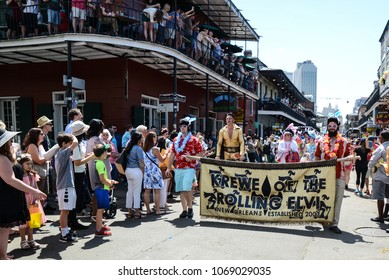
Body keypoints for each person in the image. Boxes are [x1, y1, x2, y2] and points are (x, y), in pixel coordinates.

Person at [0, 128, 47, 260]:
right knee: (3, 229)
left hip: (6, 196)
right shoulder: (2, 157)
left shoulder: (5, 156)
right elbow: (10, 179)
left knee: (3, 229)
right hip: (5, 197)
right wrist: (34, 190)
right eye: (9, 140)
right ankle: (2, 257)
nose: (11, 142)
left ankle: (3, 255)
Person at [314, 117, 351, 234]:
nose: (331, 128)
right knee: (323, 199)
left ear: (337, 127)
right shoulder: (321, 141)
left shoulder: (344, 142)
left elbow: (348, 159)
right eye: (329, 126)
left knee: (338, 200)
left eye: (334, 126)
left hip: (339, 175)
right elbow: (317, 157)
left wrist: (348, 160)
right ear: (327, 127)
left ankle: (334, 223)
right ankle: (324, 220)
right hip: (324, 176)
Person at [166, 117, 203, 219]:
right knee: (182, 189)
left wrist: (191, 158)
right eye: (181, 126)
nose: (182, 128)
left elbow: (201, 154)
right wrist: (169, 167)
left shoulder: (194, 139)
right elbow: (172, 154)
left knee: (186, 187)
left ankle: (190, 207)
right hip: (178, 167)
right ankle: (184, 210)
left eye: (184, 126)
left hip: (190, 167)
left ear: (188, 127)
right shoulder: (176, 139)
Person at [68, 120, 94, 230]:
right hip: (77, 173)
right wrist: (90, 157)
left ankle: (72, 220)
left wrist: (87, 156)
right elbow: (77, 162)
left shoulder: (78, 143)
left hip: (80, 172)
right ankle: (72, 221)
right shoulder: (76, 145)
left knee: (79, 197)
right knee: (77, 198)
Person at [17, 153, 45, 250]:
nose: (30, 166)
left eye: (31, 164)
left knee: (31, 221)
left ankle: (31, 239)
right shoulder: (18, 176)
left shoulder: (32, 175)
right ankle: (22, 240)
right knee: (23, 223)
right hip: (23, 201)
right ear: (21, 164)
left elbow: (35, 187)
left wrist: (38, 196)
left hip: (32, 201)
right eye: (27, 164)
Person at [55, 133, 79, 242]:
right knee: (64, 210)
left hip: (67, 185)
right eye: (68, 143)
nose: (71, 146)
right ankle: (64, 234)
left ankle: (65, 230)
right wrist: (73, 134)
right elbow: (75, 142)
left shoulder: (63, 153)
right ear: (64, 144)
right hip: (65, 186)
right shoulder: (63, 153)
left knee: (67, 210)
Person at [93, 143, 117, 237]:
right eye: (105, 151)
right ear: (103, 153)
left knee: (102, 209)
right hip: (102, 188)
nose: (107, 153)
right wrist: (110, 183)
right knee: (100, 210)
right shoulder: (100, 164)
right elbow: (102, 179)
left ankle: (100, 226)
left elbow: (103, 178)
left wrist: (110, 181)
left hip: (102, 188)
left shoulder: (98, 162)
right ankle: (98, 229)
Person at [143, 131, 169, 215]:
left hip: (147, 171)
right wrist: (166, 153)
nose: (156, 139)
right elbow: (162, 160)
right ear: (152, 138)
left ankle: (148, 209)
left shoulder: (144, 149)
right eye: (155, 137)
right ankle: (157, 210)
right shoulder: (155, 149)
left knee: (147, 191)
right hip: (155, 171)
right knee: (157, 190)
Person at [368, 130, 389, 225]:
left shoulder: (381, 148)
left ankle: (381, 217)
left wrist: (370, 167)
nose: (379, 139)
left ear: (383, 138)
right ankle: (386, 215)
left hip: (381, 175)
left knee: (380, 197)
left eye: (380, 137)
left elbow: (373, 160)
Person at [124, 131, 144, 219]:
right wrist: (143, 171)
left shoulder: (128, 147)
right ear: (139, 139)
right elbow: (141, 162)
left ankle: (129, 211)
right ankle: (136, 212)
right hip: (136, 170)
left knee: (130, 191)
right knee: (137, 192)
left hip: (128, 170)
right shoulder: (138, 148)